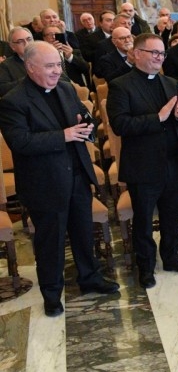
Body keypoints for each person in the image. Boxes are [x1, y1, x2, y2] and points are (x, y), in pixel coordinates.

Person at [0, 42, 119, 316]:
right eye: (49, 66)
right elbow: (20, 142)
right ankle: (52, 294)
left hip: (77, 174)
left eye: (58, 65)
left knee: (83, 232)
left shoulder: (66, 88)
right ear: (30, 68)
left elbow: (84, 117)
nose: (56, 71)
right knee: (50, 243)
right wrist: (63, 135)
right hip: (45, 183)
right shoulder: (13, 101)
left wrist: (87, 125)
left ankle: (90, 277)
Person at [107, 34, 178, 289]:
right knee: (144, 219)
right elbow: (120, 124)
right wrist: (157, 117)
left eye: (162, 53)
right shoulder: (120, 85)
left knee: (172, 214)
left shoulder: (170, 82)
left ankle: (171, 257)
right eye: (154, 52)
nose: (159, 57)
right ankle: (145, 266)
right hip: (143, 164)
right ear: (137, 53)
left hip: (174, 161)